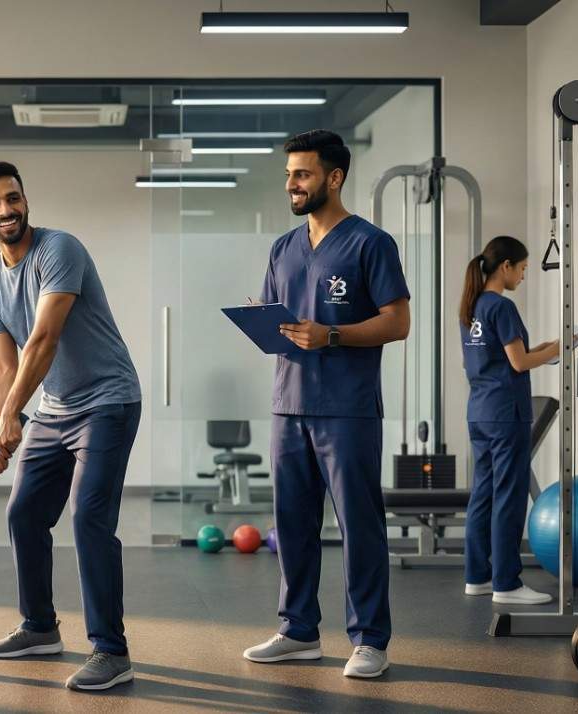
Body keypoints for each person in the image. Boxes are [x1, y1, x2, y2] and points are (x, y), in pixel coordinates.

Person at [0, 161, 142, 692]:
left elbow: (43, 340)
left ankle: (111, 651)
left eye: (13, 198)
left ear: (25, 200)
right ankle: (40, 627)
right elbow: (3, 366)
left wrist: (13, 418)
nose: (7, 210)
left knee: (89, 517)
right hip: (56, 409)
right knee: (23, 515)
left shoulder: (58, 250)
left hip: (107, 402)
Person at [242, 130, 410, 679]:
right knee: (292, 523)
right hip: (288, 403)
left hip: (347, 407)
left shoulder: (370, 243)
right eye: (289, 173)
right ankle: (298, 631)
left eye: (303, 174)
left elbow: (398, 322)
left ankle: (369, 639)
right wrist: (261, 319)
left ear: (334, 178)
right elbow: (281, 316)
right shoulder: (283, 247)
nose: (291, 183)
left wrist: (332, 336)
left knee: (359, 524)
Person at [459, 235, 557, 605]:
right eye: (523, 268)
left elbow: (505, 357)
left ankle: (478, 577)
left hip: (480, 411)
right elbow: (518, 363)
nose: (523, 276)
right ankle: (506, 584)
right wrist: (562, 348)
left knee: (483, 495)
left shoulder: (471, 307)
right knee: (509, 497)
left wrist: (547, 349)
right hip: (505, 414)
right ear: (506, 267)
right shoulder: (502, 306)